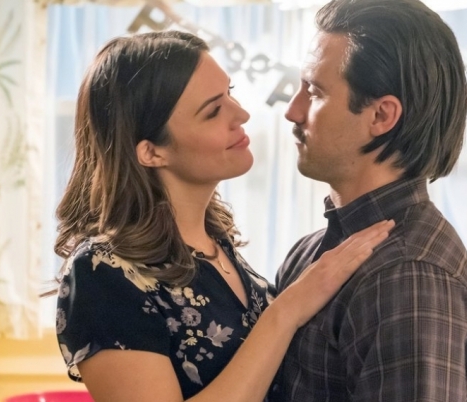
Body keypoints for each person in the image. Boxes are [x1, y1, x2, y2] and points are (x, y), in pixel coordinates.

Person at [52, 30, 394, 402]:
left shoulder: (218, 247)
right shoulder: (102, 272)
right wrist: (288, 310)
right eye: (213, 111)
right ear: (151, 152)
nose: (241, 114)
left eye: (229, 93)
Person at [269, 0, 467, 401]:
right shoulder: (309, 253)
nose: (293, 111)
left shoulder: (409, 277)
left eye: (315, 92)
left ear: (381, 116)